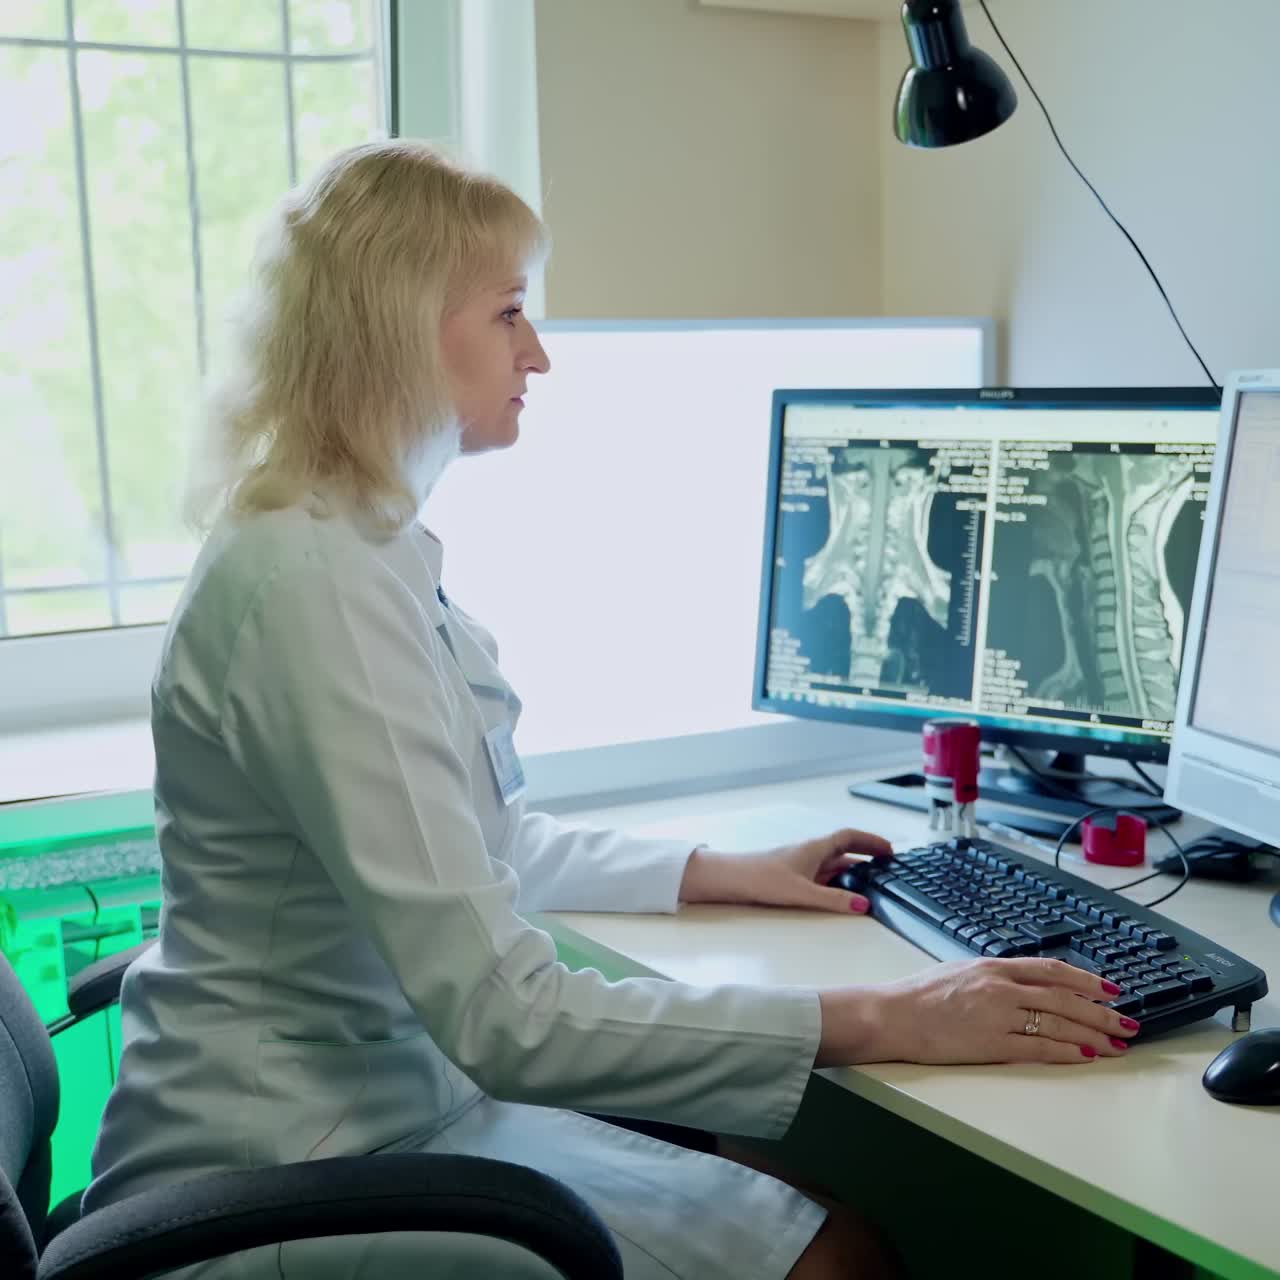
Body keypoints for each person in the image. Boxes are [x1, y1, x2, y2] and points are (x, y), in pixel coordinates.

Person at [82, 139, 1139, 1279]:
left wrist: (718, 869)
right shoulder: (311, 586)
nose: (536, 353)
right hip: (289, 1166)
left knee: (792, 1199)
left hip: (377, 1112)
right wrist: (893, 1015)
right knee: (837, 1259)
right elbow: (506, 1013)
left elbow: (468, 841)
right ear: (398, 325)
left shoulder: (351, 543)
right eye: (507, 313)